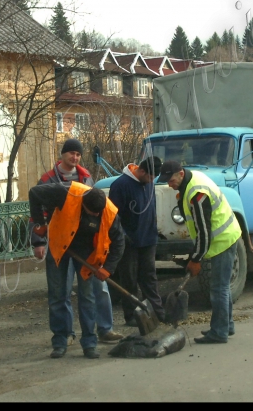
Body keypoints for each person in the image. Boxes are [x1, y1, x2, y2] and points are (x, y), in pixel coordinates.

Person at [34, 137, 122, 345]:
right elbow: (37, 208)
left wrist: (106, 264)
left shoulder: (86, 177)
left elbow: (97, 214)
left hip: (85, 246)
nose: (74, 157)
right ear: (62, 154)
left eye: (78, 154)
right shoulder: (49, 180)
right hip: (60, 243)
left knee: (96, 290)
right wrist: (37, 239)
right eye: (71, 153)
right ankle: (65, 335)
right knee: (61, 291)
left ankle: (104, 329)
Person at [29, 183, 126, 359]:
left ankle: (89, 343)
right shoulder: (65, 194)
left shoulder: (109, 212)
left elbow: (119, 242)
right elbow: (34, 192)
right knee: (57, 295)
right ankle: (60, 341)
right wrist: (40, 223)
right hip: (60, 246)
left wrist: (108, 269)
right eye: (92, 213)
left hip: (88, 254)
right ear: (83, 203)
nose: (96, 216)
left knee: (87, 297)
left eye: (98, 213)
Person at [157, 159, 242, 343]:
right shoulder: (191, 180)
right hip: (224, 236)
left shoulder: (197, 193)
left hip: (222, 239)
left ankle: (219, 332)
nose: (169, 185)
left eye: (171, 180)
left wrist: (195, 259)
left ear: (180, 174)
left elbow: (204, 231)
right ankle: (226, 325)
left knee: (218, 288)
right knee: (222, 286)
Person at [108, 156, 165, 327]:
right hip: (128, 241)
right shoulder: (120, 186)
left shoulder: (149, 183)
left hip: (148, 238)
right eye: (149, 177)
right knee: (130, 279)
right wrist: (122, 235)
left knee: (149, 277)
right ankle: (131, 315)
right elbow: (112, 215)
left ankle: (157, 312)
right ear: (141, 171)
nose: (151, 181)